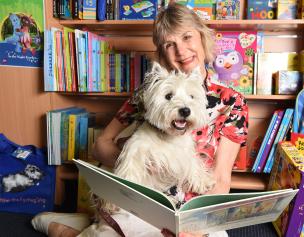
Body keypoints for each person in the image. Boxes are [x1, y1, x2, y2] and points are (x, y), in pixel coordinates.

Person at [32, 3, 248, 237]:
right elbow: (100, 145)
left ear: (202, 37)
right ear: (163, 53)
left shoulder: (232, 101)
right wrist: (140, 166)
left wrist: (195, 228)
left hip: (193, 210)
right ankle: (66, 231)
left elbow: (220, 179)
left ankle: (82, 225)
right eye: (170, 44)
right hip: (143, 202)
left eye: (187, 37)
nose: (181, 50)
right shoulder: (148, 94)